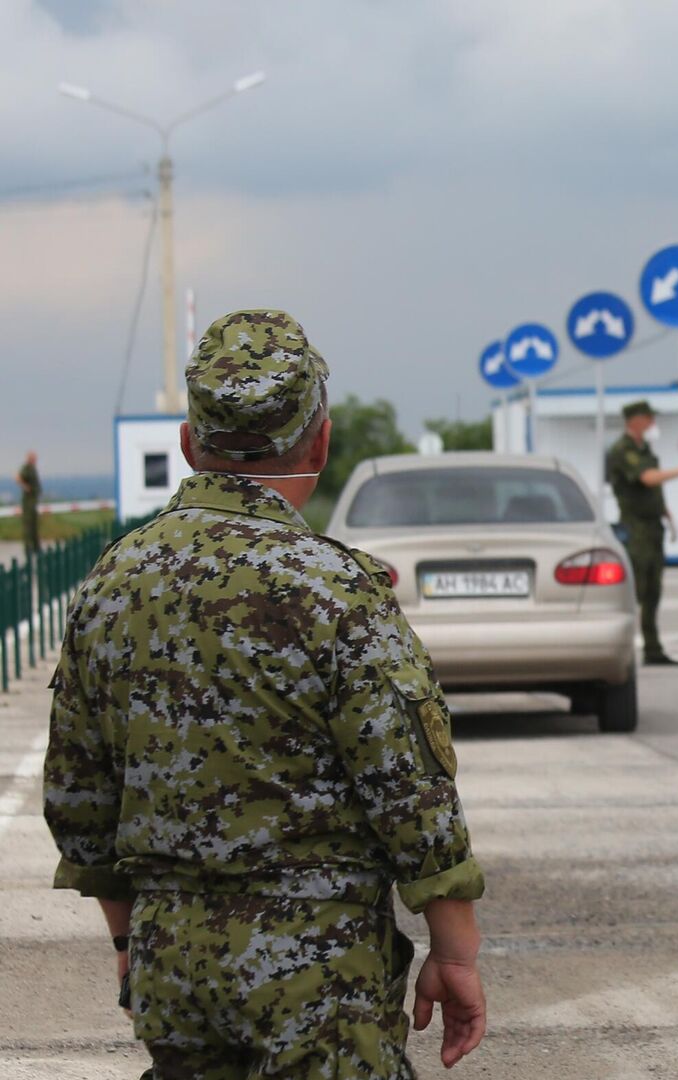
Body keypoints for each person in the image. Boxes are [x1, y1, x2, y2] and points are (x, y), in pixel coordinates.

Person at [41, 310, 487, 1077]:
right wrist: (456, 953)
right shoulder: (333, 588)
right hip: (319, 966)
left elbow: (80, 802)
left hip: (169, 961)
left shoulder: (109, 585)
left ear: (189, 444)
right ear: (320, 441)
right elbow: (409, 794)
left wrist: (130, 942)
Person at [606, 399, 678, 667]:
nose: (653, 424)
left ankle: (653, 649)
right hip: (635, 529)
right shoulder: (622, 450)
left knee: (653, 591)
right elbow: (648, 479)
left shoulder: (644, 449)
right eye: (649, 418)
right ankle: (622, 648)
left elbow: (653, 491)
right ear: (635, 421)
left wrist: (668, 516)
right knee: (635, 592)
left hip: (652, 528)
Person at [16, 450, 40, 554]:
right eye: (34, 458)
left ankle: (35, 548)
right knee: (28, 526)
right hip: (28, 502)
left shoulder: (32, 468)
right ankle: (28, 549)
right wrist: (26, 487)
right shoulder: (26, 468)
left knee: (34, 526)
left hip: (33, 501)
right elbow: (17, 477)